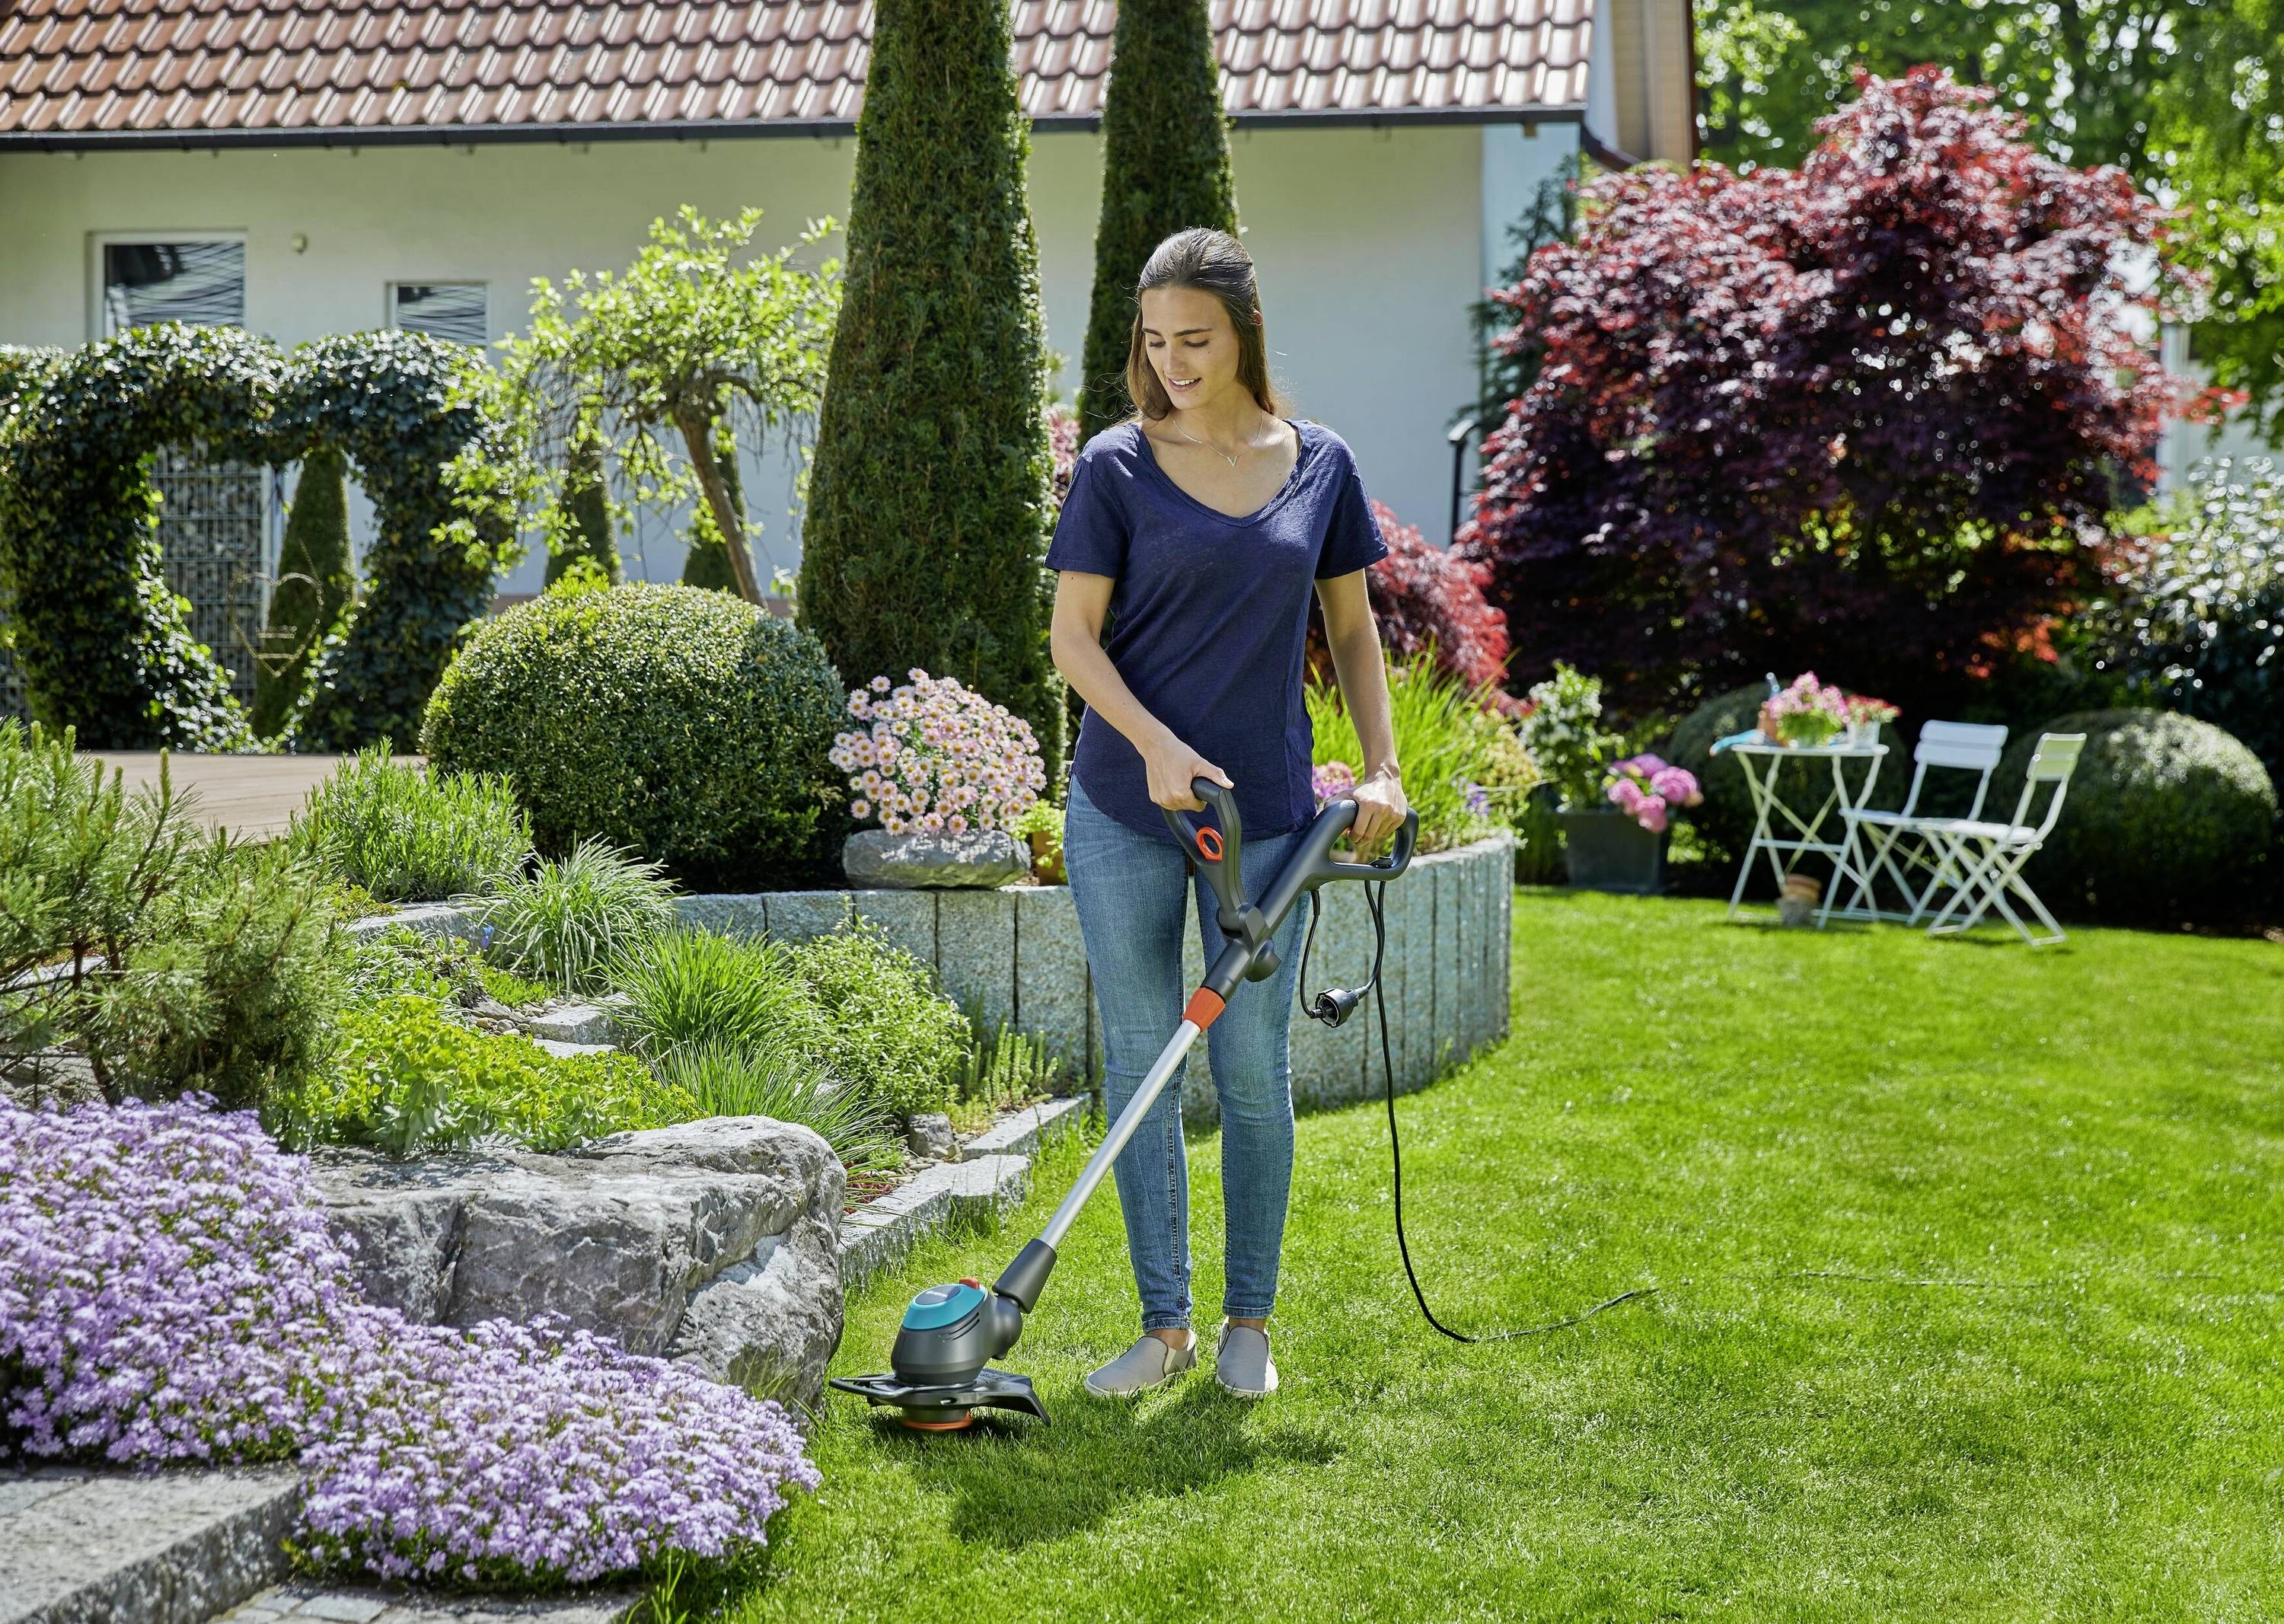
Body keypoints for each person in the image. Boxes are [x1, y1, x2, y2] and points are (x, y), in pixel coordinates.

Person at [1045, 227, 1407, 1401]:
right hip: (1123, 803)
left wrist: (1384, 767)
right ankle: (1164, 1327)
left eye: (1194, 339)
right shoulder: (1115, 465)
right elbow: (1072, 642)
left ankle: (1252, 1315)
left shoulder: (1320, 462)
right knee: (1144, 1069)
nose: (1174, 362)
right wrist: (1152, 745)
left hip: (1265, 824)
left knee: (1253, 1069)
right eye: (1155, 342)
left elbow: (1352, 632)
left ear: (1244, 332)